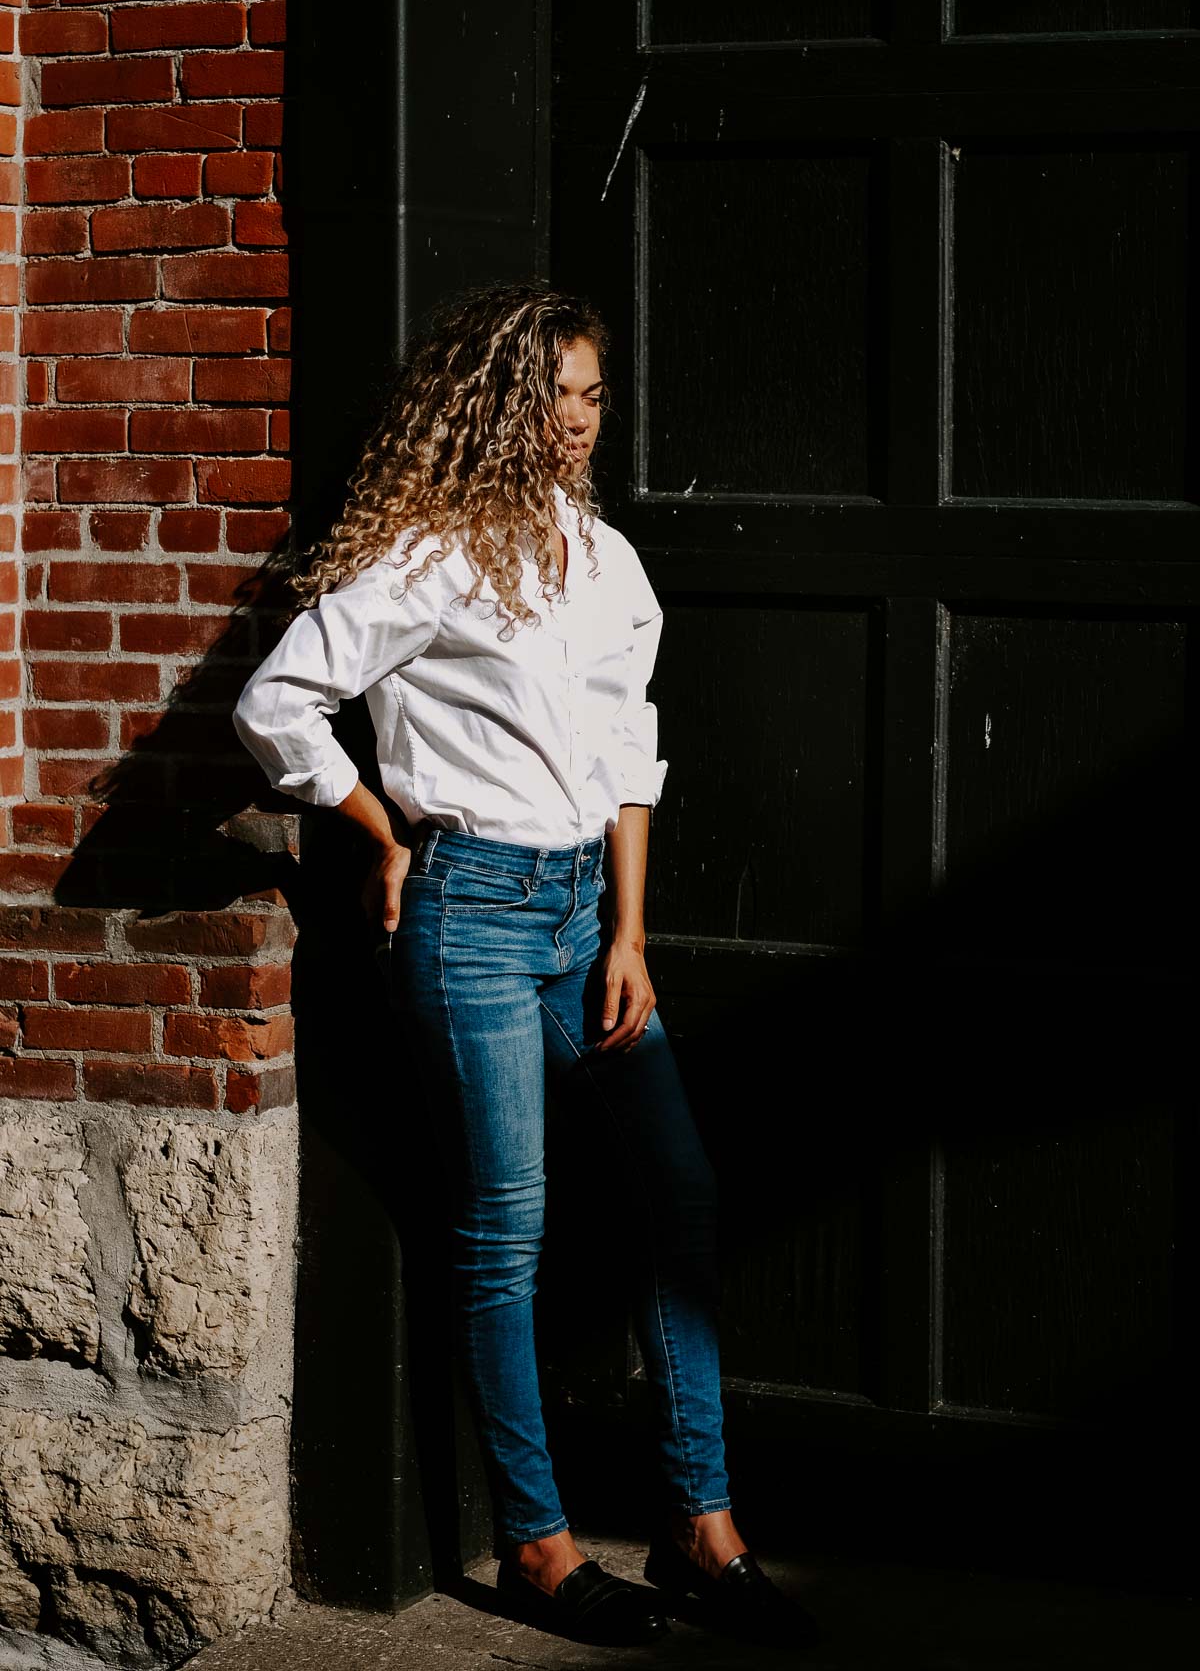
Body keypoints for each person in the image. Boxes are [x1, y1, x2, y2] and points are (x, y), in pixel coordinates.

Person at [233, 283, 818, 1650]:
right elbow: (278, 703)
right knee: (507, 1235)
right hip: (473, 915)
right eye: (550, 396)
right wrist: (375, 824)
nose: (572, 422)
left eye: (591, 397)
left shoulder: (607, 563)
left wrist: (629, 935)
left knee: (681, 1195)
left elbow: (627, 757)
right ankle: (541, 1548)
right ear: (495, 405)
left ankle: (700, 1524)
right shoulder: (428, 555)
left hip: (579, 925)